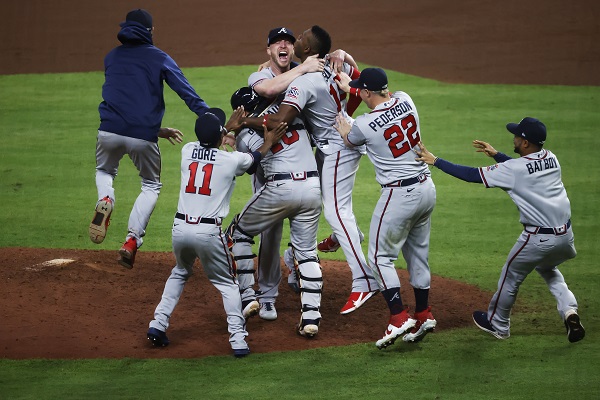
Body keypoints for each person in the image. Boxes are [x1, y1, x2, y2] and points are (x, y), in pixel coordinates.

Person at [236, 26, 379, 315]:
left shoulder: (306, 81)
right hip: (332, 149)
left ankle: (363, 278)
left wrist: (239, 123)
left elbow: (278, 120)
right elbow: (354, 90)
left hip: (330, 150)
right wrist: (342, 57)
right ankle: (290, 289)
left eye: (296, 40)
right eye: (280, 42)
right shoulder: (316, 70)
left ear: (306, 51)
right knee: (307, 214)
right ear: (269, 50)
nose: (290, 43)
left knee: (336, 213)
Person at [415, 117, 585, 343]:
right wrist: (497, 155)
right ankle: (570, 311)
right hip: (565, 237)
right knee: (548, 269)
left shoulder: (514, 169)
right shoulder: (551, 158)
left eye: (517, 136)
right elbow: (522, 170)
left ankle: (499, 324)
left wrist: (435, 161)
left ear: (525, 143)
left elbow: (472, 175)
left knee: (510, 276)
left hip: (538, 238)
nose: (513, 138)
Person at [146, 108, 287, 357]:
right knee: (228, 285)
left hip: (180, 229)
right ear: (220, 136)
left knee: (179, 272)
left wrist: (225, 129)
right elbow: (254, 159)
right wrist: (267, 142)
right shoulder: (230, 160)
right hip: (208, 232)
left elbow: (211, 140)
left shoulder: (187, 150)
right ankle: (238, 339)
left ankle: (158, 324)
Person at [89, 9, 211, 269]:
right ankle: (131, 241)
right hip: (142, 136)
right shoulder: (159, 58)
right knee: (150, 185)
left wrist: (158, 129)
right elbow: (186, 92)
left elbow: (124, 103)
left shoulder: (111, 57)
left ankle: (106, 199)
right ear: (150, 31)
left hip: (108, 130)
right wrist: (210, 117)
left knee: (104, 170)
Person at [334, 68, 437, 349]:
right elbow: (381, 98)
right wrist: (353, 88)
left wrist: (344, 128)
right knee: (418, 256)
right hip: (426, 188)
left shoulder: (364, 124)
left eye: (360, 90)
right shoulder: (406, 99)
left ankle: (398, 317)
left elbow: (350, 139)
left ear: (367, 93)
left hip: (399, 194)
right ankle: (424, 313)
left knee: (379, 258)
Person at [234, 27, 324, 321]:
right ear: (268, 51)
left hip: (285, 167)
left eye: (288, 41)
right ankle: (268, 295)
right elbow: (270, 89)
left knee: (251, 231)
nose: (283, 46)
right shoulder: (259, 78)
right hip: (282, 170)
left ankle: (264, 289)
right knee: (270, 234)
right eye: (277, 43)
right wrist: (306, 68)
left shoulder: (303, 71)